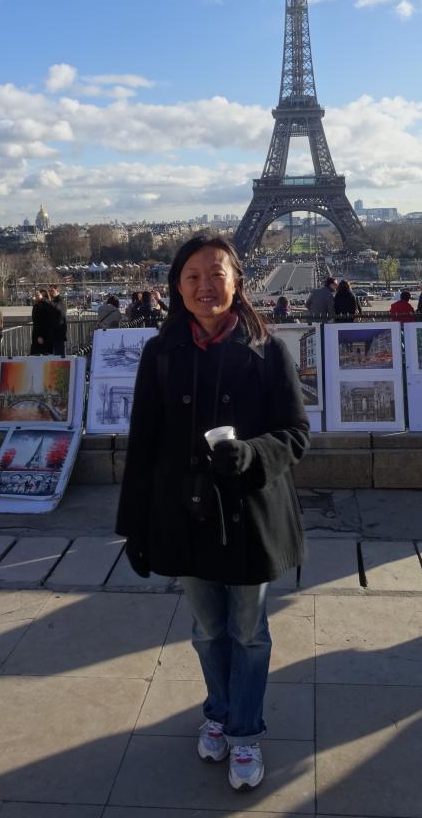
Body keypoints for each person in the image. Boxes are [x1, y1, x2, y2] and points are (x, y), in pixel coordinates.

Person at [116, 235, 309, 791]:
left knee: (248, 632)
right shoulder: (159, 354)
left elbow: (296, 435)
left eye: (216, 273)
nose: (206, 285)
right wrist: (135, 528)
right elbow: (144, 445)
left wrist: (252, 454)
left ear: (237, 280)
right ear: (177, 286)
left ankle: (244, 732)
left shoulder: (269, 349)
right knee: (207, 630)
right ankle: (220, 712)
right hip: (186, 513)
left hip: (250, 513)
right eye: (193, 275)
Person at [30, 288, 60, 355]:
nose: (36, 296)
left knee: (38, 355)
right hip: (45, 335)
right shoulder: (44, 305)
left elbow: (39, 322)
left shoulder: (42, 306)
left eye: (38, 295)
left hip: (42, 335)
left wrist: (39, 336)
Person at [48, 284, 68, 355]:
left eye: (52, 290)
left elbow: (58, 309)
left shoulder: (61, 300)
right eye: (49, 291)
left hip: (58, 332)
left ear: (57, 291)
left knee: (58, 355)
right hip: (54, 333)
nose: (50, 292)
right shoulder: (55, 301)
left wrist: (49, 301)